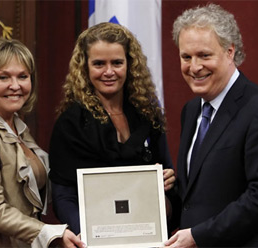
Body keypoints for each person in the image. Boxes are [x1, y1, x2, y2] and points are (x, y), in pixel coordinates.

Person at [165, 4, 258, 247]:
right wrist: (168, 194)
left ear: (230, 51)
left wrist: (198, 235)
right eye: (186, 57)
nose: (194, 67)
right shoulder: (191, 111)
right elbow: (199, 195)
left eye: (204, 55)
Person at [0, 38, 85, 248]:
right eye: (3, 77)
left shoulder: (17, 126)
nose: (15, 86)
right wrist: (51, 233)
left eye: (23, 76)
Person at [48, 22, 176, 235]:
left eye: (117, 63)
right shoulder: (71, 123)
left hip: (147, 236)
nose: (109, 72)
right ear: (85, 67)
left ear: (130, 64)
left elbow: (169, 180)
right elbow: (64, 197)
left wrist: (167, 187)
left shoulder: (148, 115)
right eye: (99, 64)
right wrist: (94, 237)